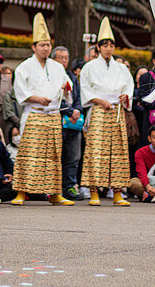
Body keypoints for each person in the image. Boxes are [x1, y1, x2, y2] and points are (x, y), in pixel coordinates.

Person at [10, 13, 74, 206]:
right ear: (34, 47)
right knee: (29, 153)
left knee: (54, 154)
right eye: (42, 45)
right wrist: (36, 98)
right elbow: (20, 90)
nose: (46, 48)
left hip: (53, 115)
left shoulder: (57, 67)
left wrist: (66, 89)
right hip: (35, 113)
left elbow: (67, 86)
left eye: (48, 44)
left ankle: (54, 192)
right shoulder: (24, 67)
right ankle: (21, 191)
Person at [79, 19, 133, 207]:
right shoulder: (89, 67)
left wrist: (126, 97)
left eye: (111, 45)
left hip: (117, 111)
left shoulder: (122, 68)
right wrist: (99, 100)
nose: (108, 49)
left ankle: (117, 191)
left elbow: (129, 87)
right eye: (105, 45)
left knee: (118, 152)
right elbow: (85, 89)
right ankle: (94, 190)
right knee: (96, 151)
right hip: (99, 111)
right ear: (98, 47)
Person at [53, 46, 84, 202]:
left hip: (73, 122)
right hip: (58, 120)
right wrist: (69, 111)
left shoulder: (72, 76)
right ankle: (55, 188)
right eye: (60, 58)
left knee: (73, 157)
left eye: (66, 58)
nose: (64, 61)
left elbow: (78, 97)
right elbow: (54, 98)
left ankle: (70, 187)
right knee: (57, 156)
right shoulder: (51, 75)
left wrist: (76, 111)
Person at [129, 123, 155, 202]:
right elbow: (141, 172)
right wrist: (147, 186)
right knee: (134, 183)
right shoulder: (141, 152)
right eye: (154, 137)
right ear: (149, 138)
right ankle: (152, 195)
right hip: (150, 182)